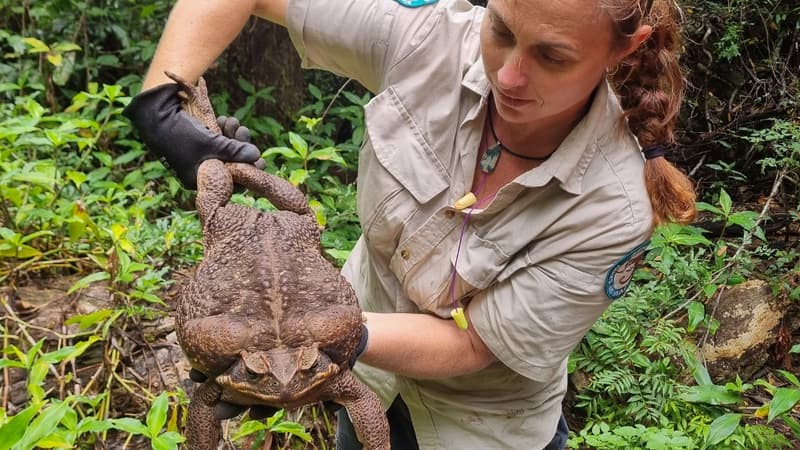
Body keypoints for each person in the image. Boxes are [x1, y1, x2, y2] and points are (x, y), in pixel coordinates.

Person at [124, 0, 696, 448]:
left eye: (553, 56)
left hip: (481, 428)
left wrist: (324, 339)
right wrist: (162, 109)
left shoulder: (614, 207)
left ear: (624, 50)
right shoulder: (431, 37)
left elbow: (475, 345)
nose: (511, 75)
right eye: (500, 30)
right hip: (367, 385)